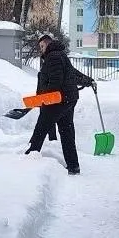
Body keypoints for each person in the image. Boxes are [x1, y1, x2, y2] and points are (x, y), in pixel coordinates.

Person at [25, 35, 94, 175]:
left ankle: (29, 159)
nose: (41, 50)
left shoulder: (53, 57)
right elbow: (72, 73)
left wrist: (43, 99)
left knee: (41, 128)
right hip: (67, 99)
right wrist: (88, 80)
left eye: (42, 46)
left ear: (47, 44)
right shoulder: (60, 55)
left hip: (57, 100)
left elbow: (55, 82)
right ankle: (73, 166)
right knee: (66, 132)